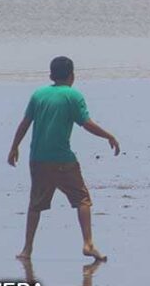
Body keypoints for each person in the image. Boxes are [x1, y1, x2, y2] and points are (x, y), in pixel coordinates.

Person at [7, 56, 120, 261]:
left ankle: (27, 249)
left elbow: (25, 123)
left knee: (35, 204)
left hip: (38, 159)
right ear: (72, 76)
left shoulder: (38, 95)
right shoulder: (73, 95)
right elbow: (86, 123)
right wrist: (108, 136)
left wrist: (14, 147)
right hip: (62, 160)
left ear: (51, 75)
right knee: (82, 200)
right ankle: (88, 243)